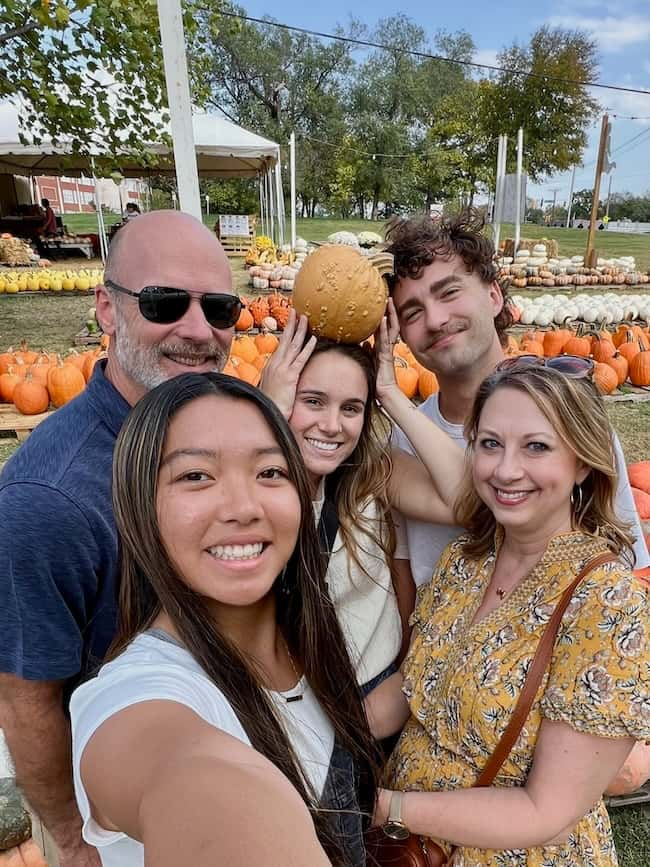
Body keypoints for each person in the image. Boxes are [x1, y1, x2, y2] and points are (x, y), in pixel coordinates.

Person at [0, 211, 240, 867]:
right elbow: (27, 701)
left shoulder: (216, 430)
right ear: (107, 307)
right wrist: (75, 842)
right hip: (116, 823)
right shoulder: (50, 499)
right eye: (166, 302)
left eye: (219, 308)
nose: (199, 330)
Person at [70, 372, 380, 866]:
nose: (243, 507)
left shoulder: (305, 640)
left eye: (270, 473)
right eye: (195, 476)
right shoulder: (138, 694)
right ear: (138, 506)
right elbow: (191, 780)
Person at [366, 359, 649, 865]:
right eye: (490, 443)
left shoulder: (605, 603)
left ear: (582, 461)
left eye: (536, 447)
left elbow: (546, 811)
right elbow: (412, 688)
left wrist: (388, 807)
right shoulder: (465, 561)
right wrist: (312, 733)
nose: (505, 469)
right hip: (414, 849)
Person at [384, 208, 650, 593]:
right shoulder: (403, 437)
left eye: (449, 292)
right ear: (401, 335)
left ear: (494, 296)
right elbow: (406, 574)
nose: (436, 319)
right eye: (413, 312)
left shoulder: (566, 417)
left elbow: (626, 566)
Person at [260, 310, 464, 695]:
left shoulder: (369, 473)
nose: (333, 425)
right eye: (313, 401)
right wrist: (265, 412)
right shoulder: (250, 490)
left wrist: (389, 392)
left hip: (374, 691)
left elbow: (467, 499)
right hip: (290, 710)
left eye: (351, 408)